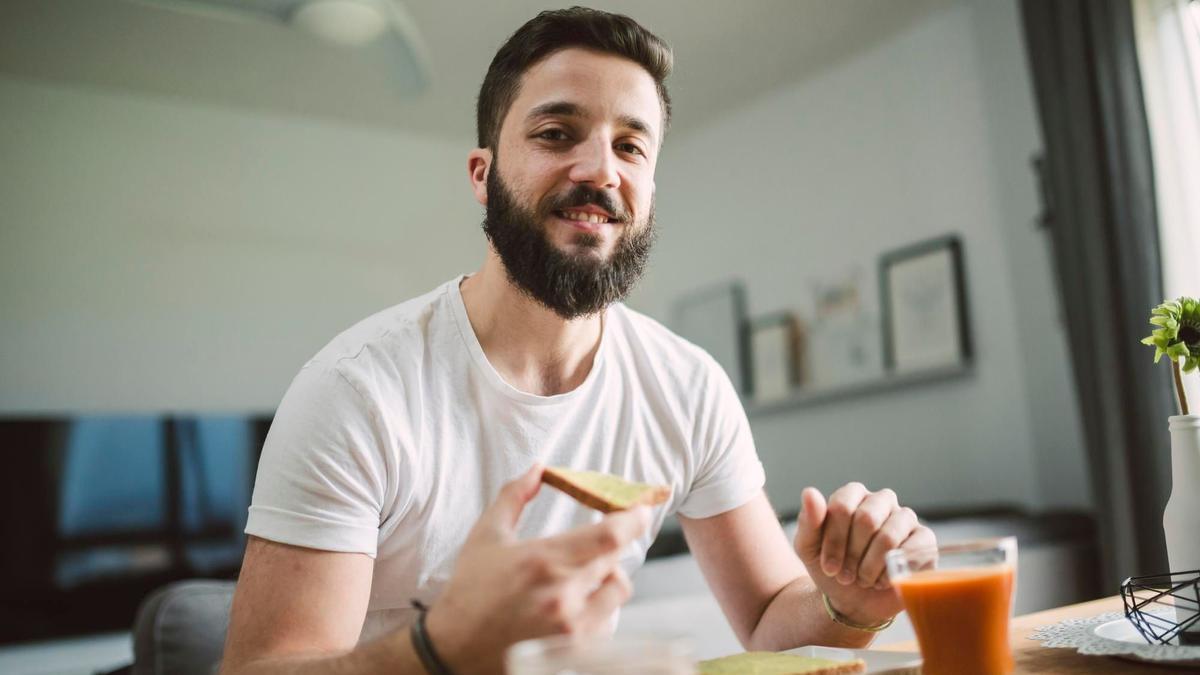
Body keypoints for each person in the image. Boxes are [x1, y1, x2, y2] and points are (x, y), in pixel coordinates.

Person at [220, 7, 935, 675]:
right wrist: (441, 647)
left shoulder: (688, 388)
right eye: (557, 133)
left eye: (630, 145)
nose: (601, 170)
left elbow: (771, 616)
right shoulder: (357, 392)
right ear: (482, 176)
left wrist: (851, 605)